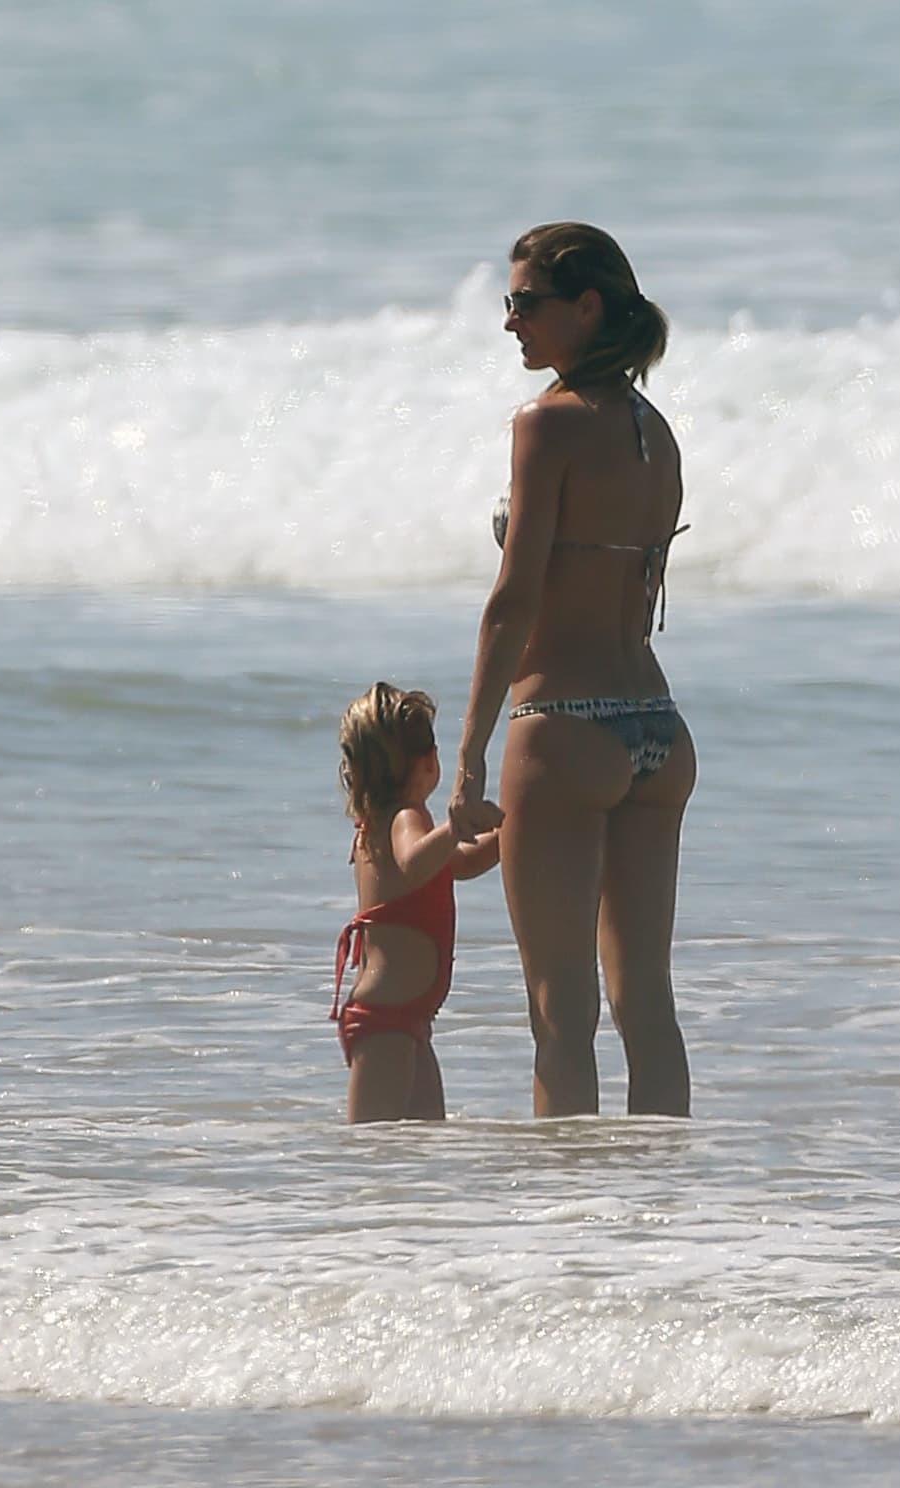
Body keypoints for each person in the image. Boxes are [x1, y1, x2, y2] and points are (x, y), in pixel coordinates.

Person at [448, 222, 695, 1119]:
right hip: (657, 733)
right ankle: (667, 1221)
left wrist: (469, 752)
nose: (510, 322)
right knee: (647, 1008)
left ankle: (569, 1240)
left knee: (560, 1012)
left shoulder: (545, 423)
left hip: (564, 725)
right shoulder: (654, 433)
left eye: (524, 303)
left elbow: (514, 601)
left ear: (585, 307)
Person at [332, 681, 500, 1123]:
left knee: (422, 1146)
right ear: (428, 761)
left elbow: (458, 864)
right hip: (385, 1019)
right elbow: (411, 862)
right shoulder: (406, 819)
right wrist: (455, 824)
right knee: (374, 1148)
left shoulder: (384, 823)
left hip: (405, 1019)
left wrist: (507, 832)